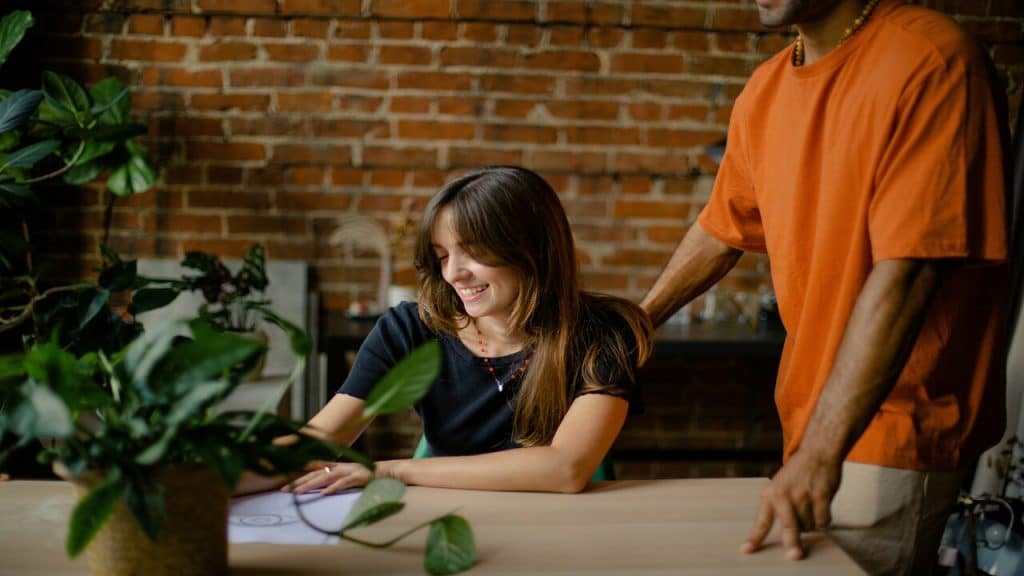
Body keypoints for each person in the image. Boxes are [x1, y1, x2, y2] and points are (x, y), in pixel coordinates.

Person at [641, 0, 1009, 574]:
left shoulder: (932, 61)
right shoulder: (765, 88)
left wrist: (820, 451)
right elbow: (722, 227)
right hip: (811, 426)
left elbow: (909, 273)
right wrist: (638, 321)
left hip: (891, 429)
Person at [242, 166, 651, 496]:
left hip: (559, 523)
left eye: (473, 252)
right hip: (444, 515)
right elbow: (320, 439)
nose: (454, 273)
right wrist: (209, 483)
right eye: (442, 256)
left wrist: (393, 470)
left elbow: (565, 469)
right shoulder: (409, 329)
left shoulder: (605, 333)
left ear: (532, 250)